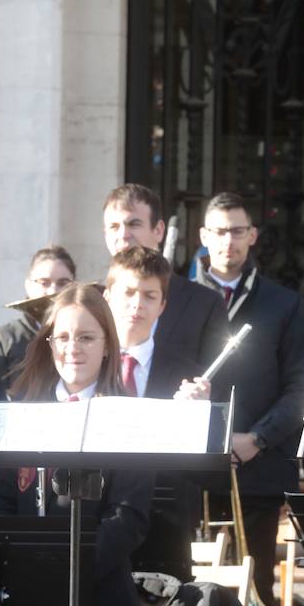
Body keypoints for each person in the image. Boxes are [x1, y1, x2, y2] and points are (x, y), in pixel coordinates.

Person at [0, 284, 155, 606]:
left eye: (86, 337)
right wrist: (26, 568)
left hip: (96, 605)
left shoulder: (129, 418)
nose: (72, 348)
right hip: (27, 601)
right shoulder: (23, 414)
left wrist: (68, 570)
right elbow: (2, 500)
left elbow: (129, 518)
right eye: (62, 337)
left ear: (107, 345)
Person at [194, 191, 304, 606]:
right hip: (194, 471)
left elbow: (302, 386)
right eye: (219, 231)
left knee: (256, 590)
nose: (229, 240)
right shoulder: (181, 299)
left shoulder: (284, 305)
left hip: (258, 471)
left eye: (238, 230)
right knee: (194, 592)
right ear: (204, 236)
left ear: (253, 236)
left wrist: (258, 438)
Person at [101, 246, 209, 581]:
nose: (137, 304)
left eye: (149, 296)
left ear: (162, 305)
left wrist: (199, 419)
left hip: (165, 531)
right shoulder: (85, 365)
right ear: (107, 297)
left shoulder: (187, 373)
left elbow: (207, 475)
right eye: (128, 292)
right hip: (98, 525)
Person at [102, 183, 228, 369]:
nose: (123, 235)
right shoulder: (91, 301)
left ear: (159, 230)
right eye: (113, 227)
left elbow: (220, 383)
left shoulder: (204, 304)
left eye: (134, 224)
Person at [0, 245, 77, 397]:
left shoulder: (85, 336)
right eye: (44, 282)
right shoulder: (5, 338)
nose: (53, 291)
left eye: (62, 283)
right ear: (28, 285)